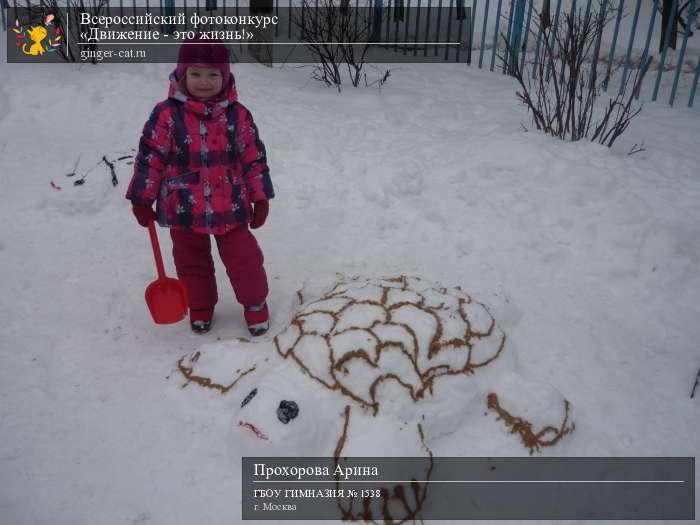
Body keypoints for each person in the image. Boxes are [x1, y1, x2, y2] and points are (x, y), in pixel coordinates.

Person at [126, 36, 274, 336]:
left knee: (245, 259)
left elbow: (253, 157)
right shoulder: (166, 114)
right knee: (191, 262)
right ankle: (200, 305)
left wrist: (260, 197)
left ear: (225, 76)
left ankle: (255, 303)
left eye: (213, 74)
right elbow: (150, 157)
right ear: (182, 75)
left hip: (230, 205)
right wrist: (142, 198)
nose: (204, 82)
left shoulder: (238, 115)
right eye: (196, 73)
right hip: (183, 206)